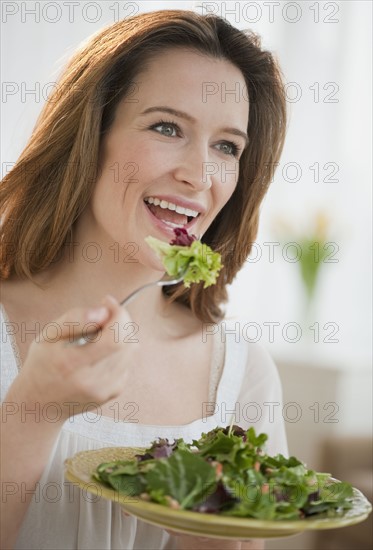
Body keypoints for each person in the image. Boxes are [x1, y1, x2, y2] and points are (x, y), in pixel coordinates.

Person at [0, 9, 288, 550]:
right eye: (166, 127)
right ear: (88, 136)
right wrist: (34, 409)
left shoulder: (241, 376)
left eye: (227, 146)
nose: (199, 175)